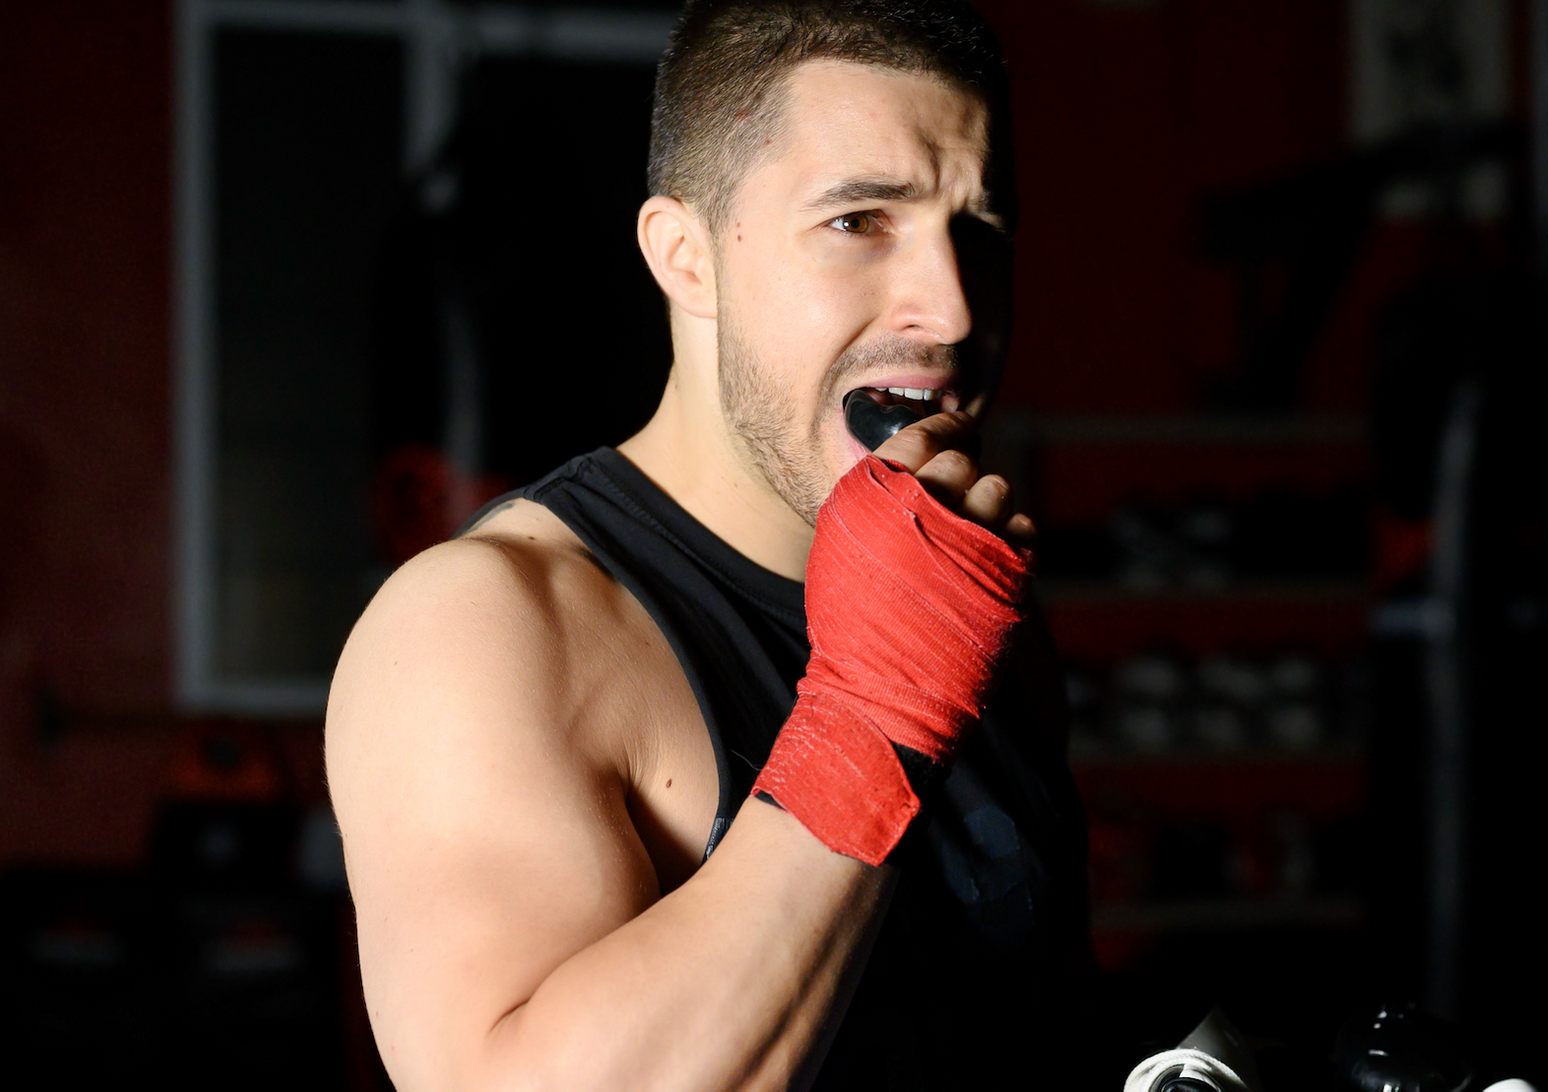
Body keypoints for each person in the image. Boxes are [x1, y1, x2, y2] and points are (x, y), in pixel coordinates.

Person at [324, 2, 1092, 1088]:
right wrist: (875, 717)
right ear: (685, 258)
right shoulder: (488, 630)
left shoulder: (978, 608)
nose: (953, 308)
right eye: (859, 220)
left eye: (980, 229)